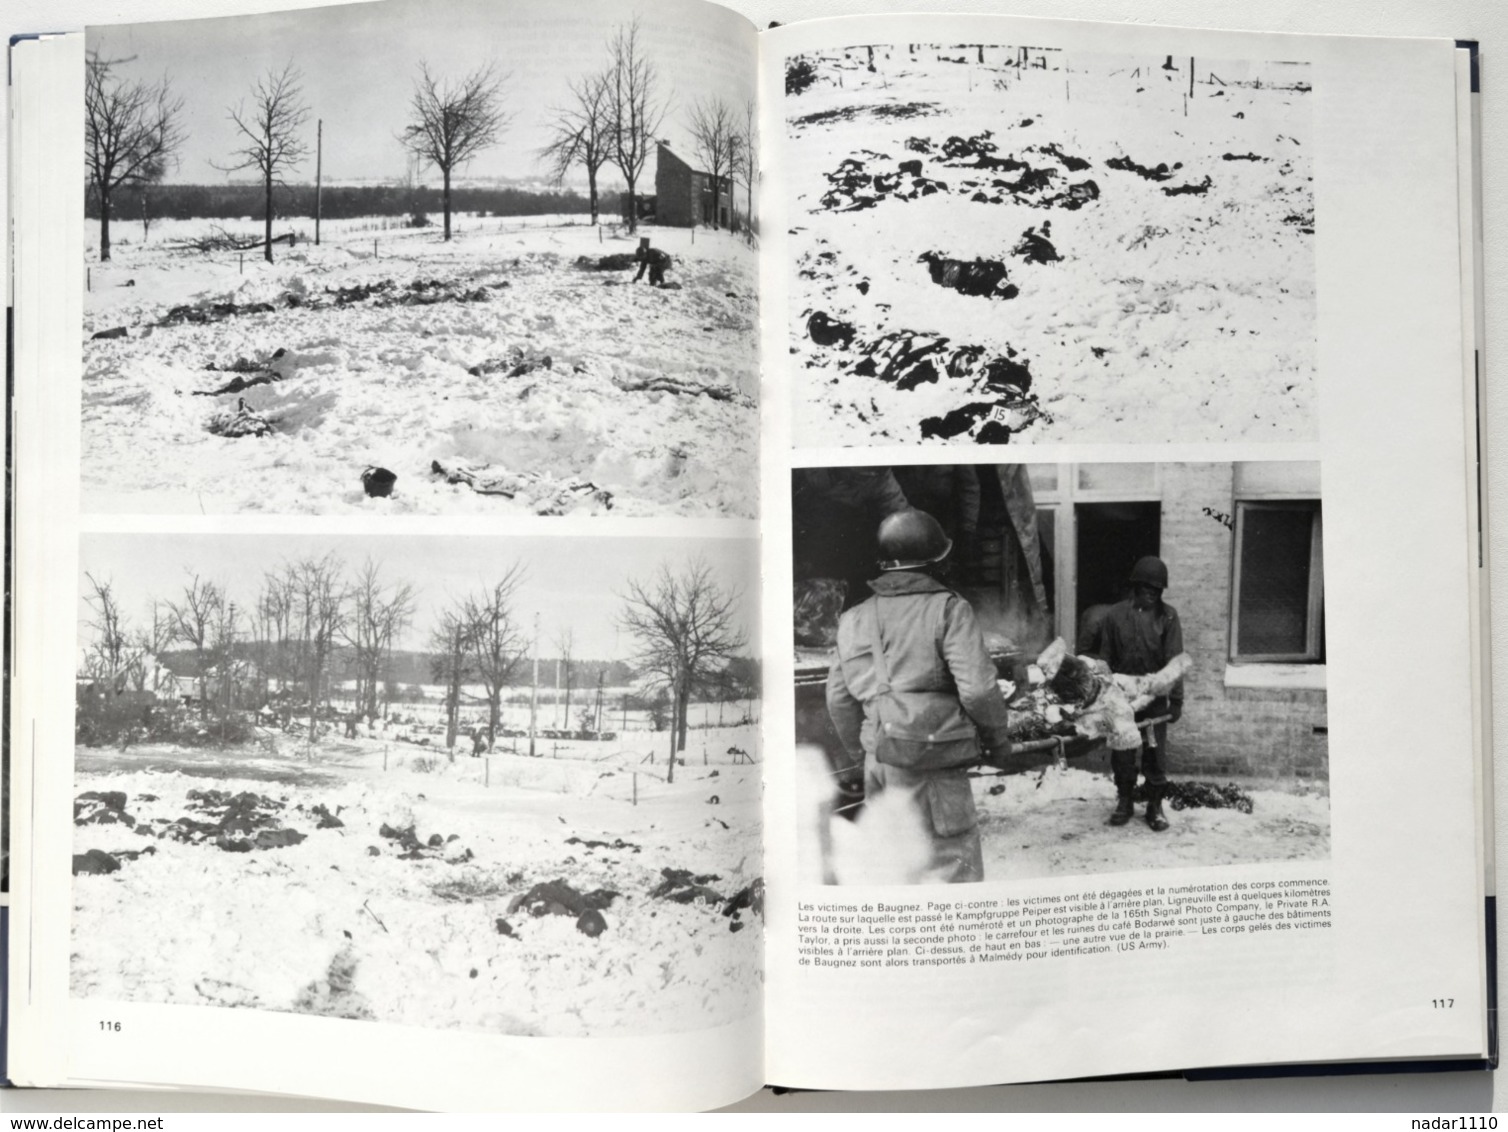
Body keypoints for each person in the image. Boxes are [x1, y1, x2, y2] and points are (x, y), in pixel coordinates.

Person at [825, 509, 1013, 883]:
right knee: (951, 871)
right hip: (931, 764)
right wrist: (996, 740)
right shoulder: (949, 610)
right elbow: (978, 690)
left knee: (893, 874)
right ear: (935, 560)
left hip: (879, 762)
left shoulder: (854, 618)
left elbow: (838, 698)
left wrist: (866, 749)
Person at [1081, 556, 1185, 831]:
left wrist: (1175, 701)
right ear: (1135, 587)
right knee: (1123, 753)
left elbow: (1175, 662)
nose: (1152, 595)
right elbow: (1105, 660)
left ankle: (1154, 806)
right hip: (1122, 699)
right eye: (1146, 589)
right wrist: (1102, 698)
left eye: (1157, 590)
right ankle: (1124, 801)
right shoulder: (1114, 616)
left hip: (1154, 699)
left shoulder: (1169, 617)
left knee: (1154, 753)